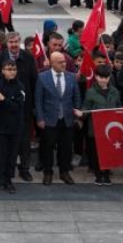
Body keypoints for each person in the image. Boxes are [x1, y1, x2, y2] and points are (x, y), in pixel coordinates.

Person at [35, 51, 82, 186]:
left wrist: (77, 114)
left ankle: (64, 172)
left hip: (67, 119)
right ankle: (48, 172)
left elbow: (76, 97)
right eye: (60, 62)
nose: (64, 64)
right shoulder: (42, 77)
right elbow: (38, 100)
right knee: (47, 147)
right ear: (52, 63)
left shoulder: (72, 77)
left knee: (66, 148)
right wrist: (40, 118)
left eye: (64, 61)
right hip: (49, 119)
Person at [83, 67, 122, 185]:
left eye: (106, 77)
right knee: (95, 152)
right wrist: (82, 112)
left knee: (108, 151)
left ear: (109, 78)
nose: (103, 80)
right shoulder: (90, 92)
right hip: (95, 128)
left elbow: (119, 107)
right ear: (96, 77)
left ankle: (106, 173)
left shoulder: (115, 91)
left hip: (110, 128)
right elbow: (86, 107)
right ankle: (98, 174)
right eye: (101, 77)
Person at [0, 59, 25, 193]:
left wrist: (4, 100)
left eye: (14, 69)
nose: (11, 72)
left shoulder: (20, 87)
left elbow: (18, 106)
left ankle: (8, 181)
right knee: (0, 155)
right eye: (8, 69)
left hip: (15, 127)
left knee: (11, 156)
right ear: (3, 71)